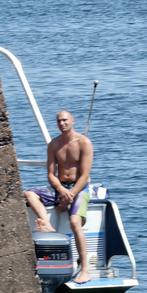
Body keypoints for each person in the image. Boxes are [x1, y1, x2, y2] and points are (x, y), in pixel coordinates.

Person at [24, 110, 96, 283]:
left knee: (74, 222)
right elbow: (51, 174)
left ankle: (85, 270)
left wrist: (69, 195)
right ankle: (47, 224)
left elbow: (85, 176)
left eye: (65, 120)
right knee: (29, 193)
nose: (62, 123)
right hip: (60, 187)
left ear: (72, 121)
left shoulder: (84, 143)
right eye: (58, 121)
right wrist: (61, 191)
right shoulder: (54, 144)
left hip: (79, 188)